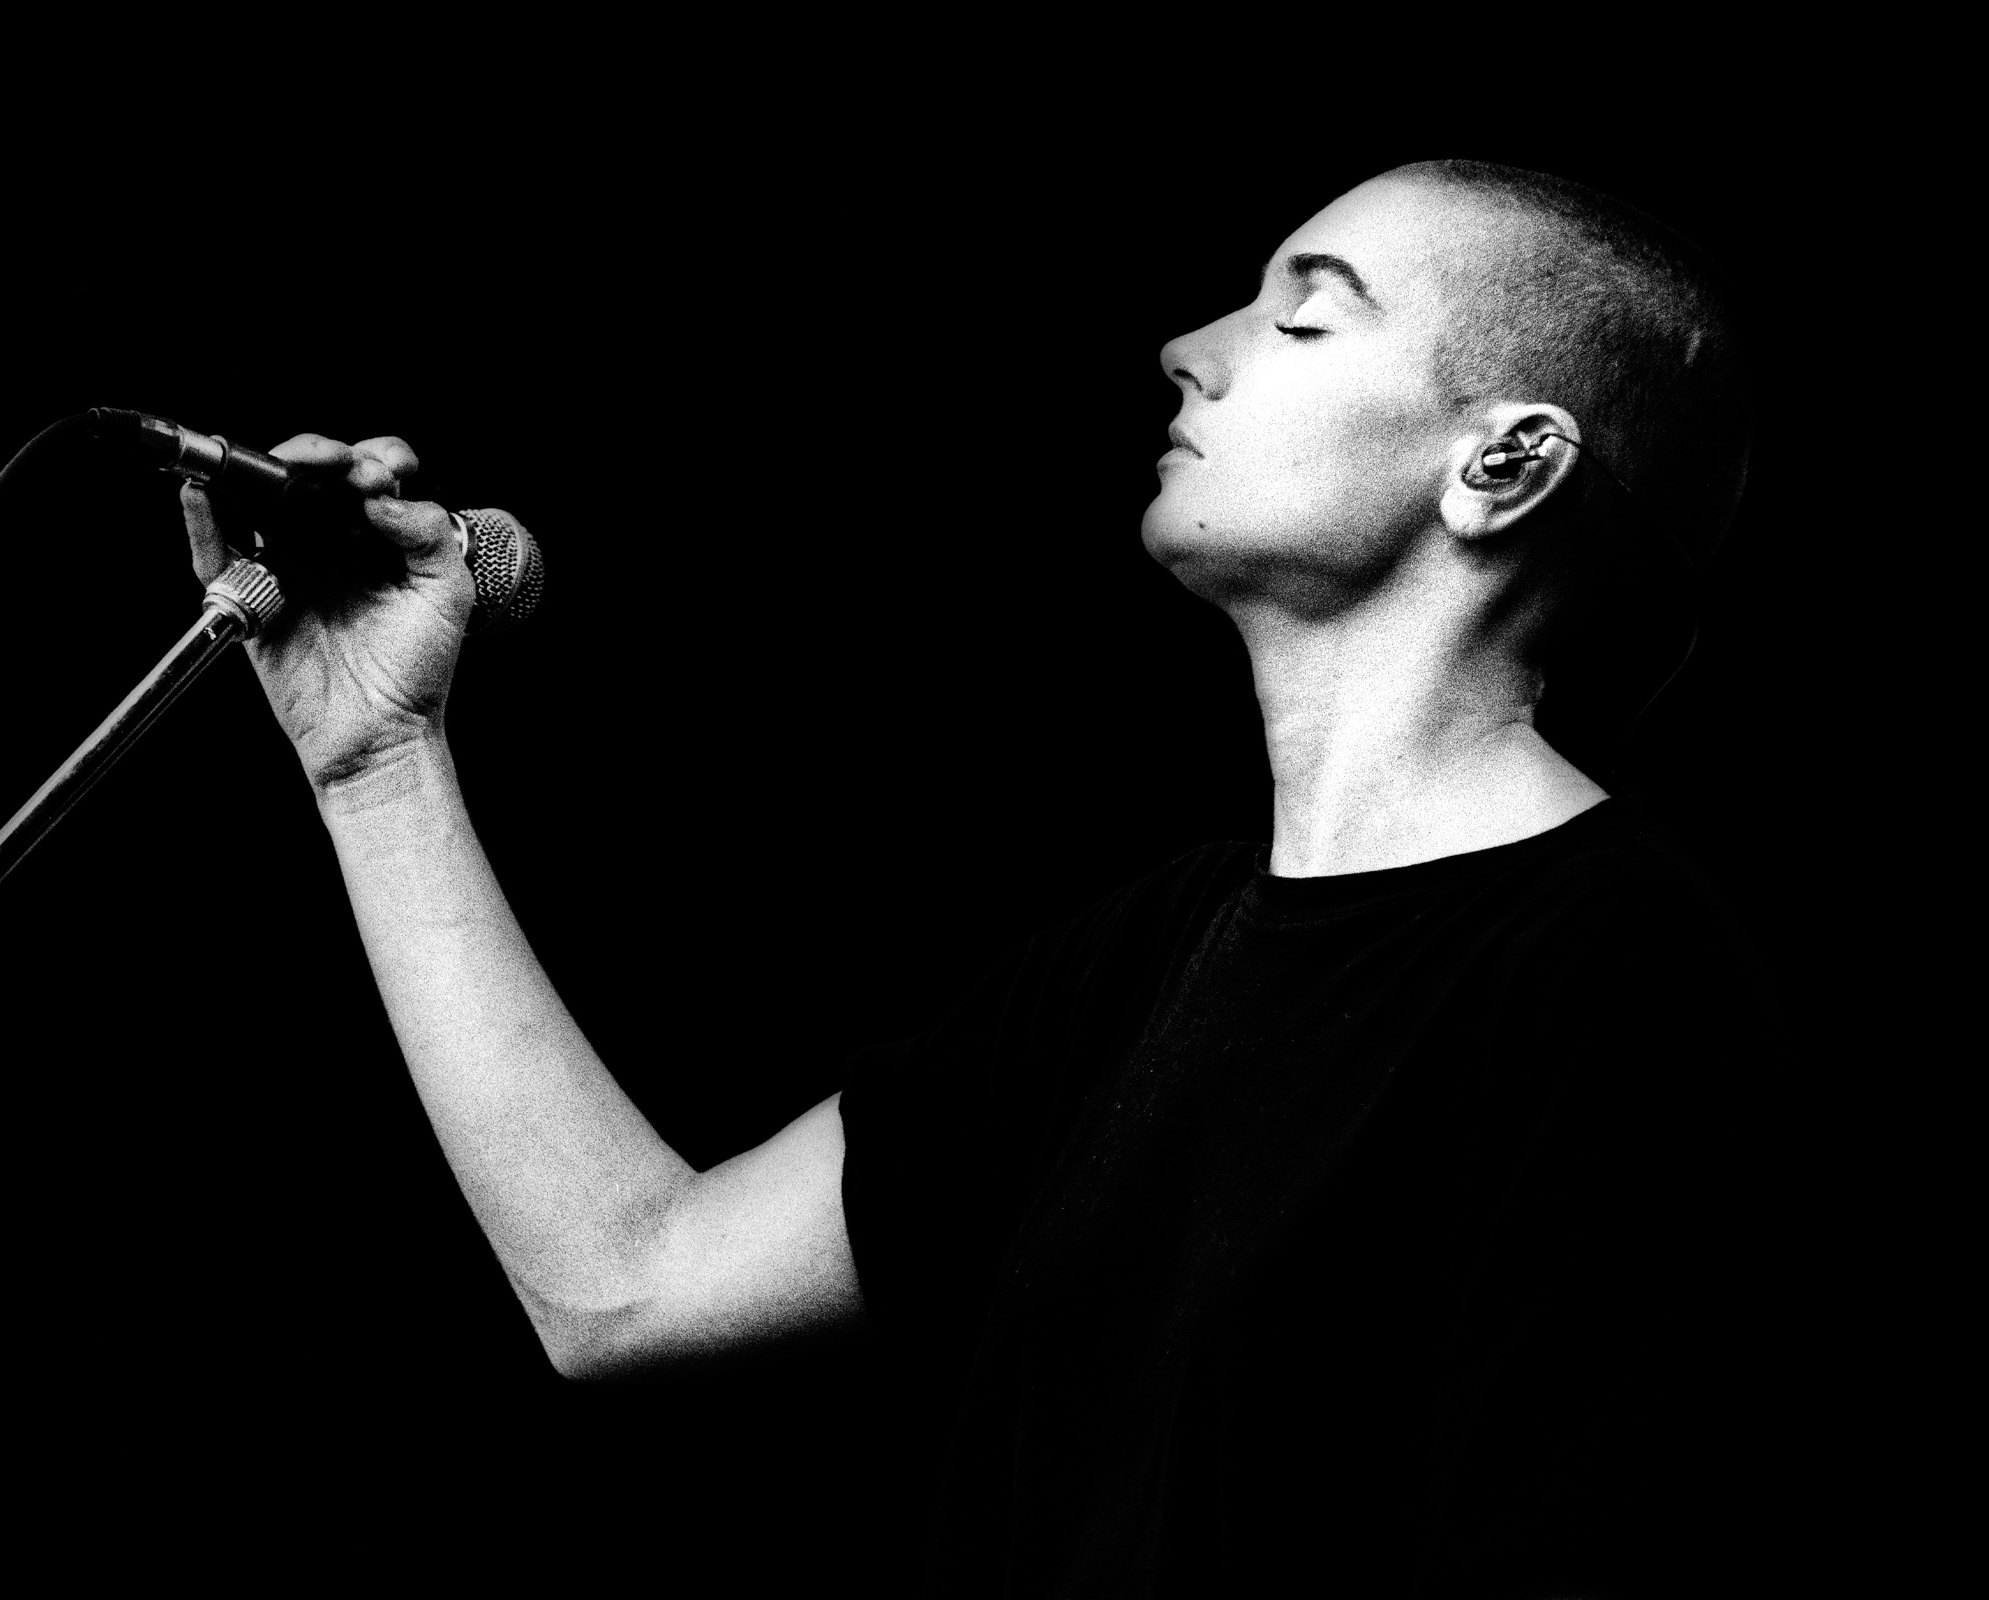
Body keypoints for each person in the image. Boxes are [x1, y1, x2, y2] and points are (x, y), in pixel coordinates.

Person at [181, 160, 1771, 1595]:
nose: (1191, 347)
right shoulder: (1141, 958)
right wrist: (377, 765)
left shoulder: (1618, 974)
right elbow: (625, 1288)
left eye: (1305, 323)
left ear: (1503, 467)